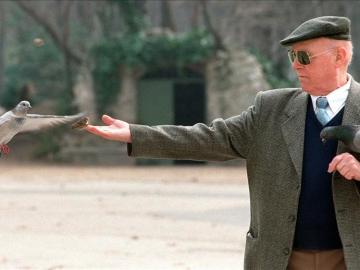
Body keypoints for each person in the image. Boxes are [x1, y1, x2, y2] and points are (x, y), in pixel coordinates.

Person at [86, 16, 360, 270]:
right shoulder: (270, 108)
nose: (295, 65)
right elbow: (210, 137)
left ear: (340, 56)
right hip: (279, 260)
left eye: (304, 56)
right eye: (292, 56)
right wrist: (136, 134)